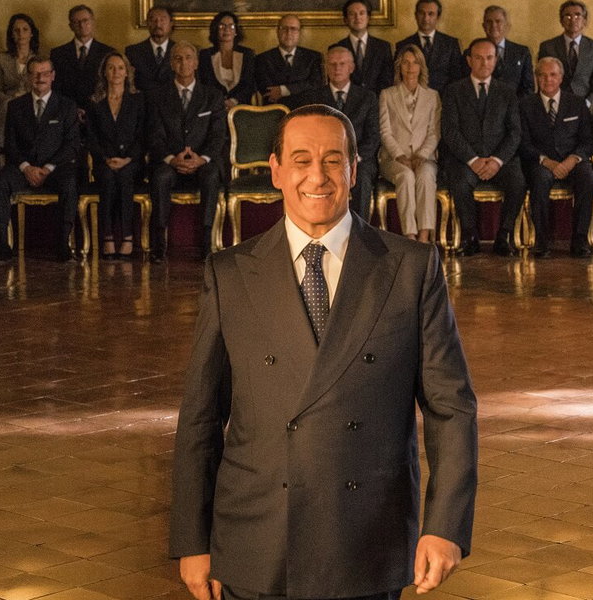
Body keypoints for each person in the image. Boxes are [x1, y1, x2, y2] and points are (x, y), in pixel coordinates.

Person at [170, 103, 477, 600]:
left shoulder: (410, 268)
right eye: (302, 160)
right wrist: (193, 538)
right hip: (256, 539)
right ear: (275, 171)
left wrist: (445, 526)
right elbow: (201, 418)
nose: (318, 175)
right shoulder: (229, 273)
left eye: (333, 160)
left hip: (366, 539)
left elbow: (452, 409)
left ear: (354, 170)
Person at [0, 57, 81, 262]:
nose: (41, 78)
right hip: (23, 168)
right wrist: (26, 168)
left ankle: (63, 244)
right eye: (35, 73)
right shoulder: (15, 106)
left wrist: (47, 168)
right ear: (28, 77)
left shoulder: (66, 106)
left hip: (55, 168)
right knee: (0, 181)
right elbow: (10, 144)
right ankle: (2, 245)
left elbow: (72, 145)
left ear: (53, 76)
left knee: (70, 183)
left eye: (45, 73)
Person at [441, 38, 526, 256]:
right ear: (469, 60)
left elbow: (515, 132)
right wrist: (473, 160)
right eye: (478, 58)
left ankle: (504, 236)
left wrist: (497, 160)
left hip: (500, 160)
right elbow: (450, 131)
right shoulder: (453, 91)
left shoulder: (507, 92)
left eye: (489, 58)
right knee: (460, 182)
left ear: (496, 60)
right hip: (466, 160)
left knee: (517, 181)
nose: (484, 63)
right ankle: (470, 237)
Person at [149, 41, 227, 263]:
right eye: (178, 58)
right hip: (171, 161)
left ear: (196, 63)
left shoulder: (212, 95)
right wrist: (172, 159)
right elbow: (154, 135)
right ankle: (159, 244)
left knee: (211, 175)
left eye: (188, 58)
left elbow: (218, 135)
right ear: (171, 64)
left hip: (203, 161)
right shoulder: (158, 96)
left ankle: (206, 242)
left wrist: (202, 159)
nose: (183, 63)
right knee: (160, 177)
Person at [518, 57, 593, 258]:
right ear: (536, 78)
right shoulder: (525, 105)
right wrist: (547, 161)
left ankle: (580, 239)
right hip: (541, 161)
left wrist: (572, 160)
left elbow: (588, 141)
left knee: (587, 177)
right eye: (542, 75)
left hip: (573, 160)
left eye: (553, 75)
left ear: (561, 77)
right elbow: (523, 143)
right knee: (540, 179)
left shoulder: (577, 103)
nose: (548, 80)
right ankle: (541, 241)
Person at [296, 46, 380, 220]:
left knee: (361, 177)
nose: (337, 68)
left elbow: (373, 136)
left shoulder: (368, 97)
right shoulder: (313, 97)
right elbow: (309, 134)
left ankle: (359, 230)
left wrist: (354, 157)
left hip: (359, 159)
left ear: (351, 67)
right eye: (332, 64)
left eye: (342, 64)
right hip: (323, 159)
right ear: (326, 68)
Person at [378, 44, 441, 242]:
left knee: (425, 176)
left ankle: (424, 236)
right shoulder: (387, 95)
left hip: (425, 158)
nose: (410, 67)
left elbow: (434, 132)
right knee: (406, 176)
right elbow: (385, 131)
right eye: (405, 62)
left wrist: (421, 155)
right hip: (393, 159)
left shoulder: (432, 96)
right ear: (399, 66)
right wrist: (400, 156)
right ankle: (410, 236)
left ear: (421, 67)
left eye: (415, 63)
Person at [86, 51, 146, 260]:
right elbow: (91, 137)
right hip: (104, 161)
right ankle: (108, 236)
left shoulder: (138, 100)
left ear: (127, 72)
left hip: (132, 162)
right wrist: (105, 158)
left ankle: (128, 236)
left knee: (125, 177)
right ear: (104, 72)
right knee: (108, 179)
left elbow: (142, 135)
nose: (116, 72)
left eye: (120, 68)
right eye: (111, 68)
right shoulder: (94, 102)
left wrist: (128, 159)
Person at [0, 13, 40, 161]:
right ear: (11, 34)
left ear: (32, 33)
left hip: (32, 101)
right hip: (7, 103)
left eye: (25, 29)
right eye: (16, 30)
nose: (21, 34)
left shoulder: (40, 59)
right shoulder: (0, 59)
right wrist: (11, 99)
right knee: (8, 105)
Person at [537, 0, 593, 103]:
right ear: (561, 21)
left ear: (584, 21)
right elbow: (542, 80)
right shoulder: (548, 47)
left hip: (585, 105)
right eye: (568, 16)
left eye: (577, 15)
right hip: (555, 103)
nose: (573, 20)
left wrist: (587, 103)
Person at [50, 4, 113, 115]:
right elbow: (55, 87)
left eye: (85, 20)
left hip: (98, 112)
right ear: (70, 26)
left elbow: (109, 86)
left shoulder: (108, 52)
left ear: (93, 22)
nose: (82, 25)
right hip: (67, 113)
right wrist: (72, 110)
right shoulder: (58, 54)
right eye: (76, 22)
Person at [395, 0, 462, 92]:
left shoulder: (451, 44)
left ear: (438, 17)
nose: (426, 18)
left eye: (431, 14)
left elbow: (457, 78)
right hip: (412, 97)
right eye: (422, 13)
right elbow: (398, 77)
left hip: (444, 97)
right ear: (416, 15)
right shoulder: (403, 45)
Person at [254, 14, 323, 106]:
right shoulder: (262, 59)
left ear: (299, 33)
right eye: (284, 28)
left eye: (293, 29)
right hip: (275, 111)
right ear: (277, 31)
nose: (288, 33)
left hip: (305, 111)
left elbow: (316, 85)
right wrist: (300, 89)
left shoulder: (313, 57)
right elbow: (268, 92)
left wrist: (283, 90)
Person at [332, 0, 393, 92]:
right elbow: (336, 82)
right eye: (352, 14)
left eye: (362, 13)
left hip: (376, 99)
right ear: (345, 19)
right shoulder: (337, 48)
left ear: (368, 18)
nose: (357, 17)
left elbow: (387, 81)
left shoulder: (383, 47)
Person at [197, 11, 256, 108]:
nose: (227, 29)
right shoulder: (205, 55)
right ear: (215, 30)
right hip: (214, 107)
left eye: (231, 26)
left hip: (241, 108)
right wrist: (221, 102)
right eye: (222, 26)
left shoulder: (247, 54)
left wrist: (234, 101)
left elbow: (250, 85)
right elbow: (204, 85)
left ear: (236, 31)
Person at [479, 5, 534, 98]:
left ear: (506, 26)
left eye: (498, 21)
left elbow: (528, 87)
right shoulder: (472, 52)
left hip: (515, 105)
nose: (493, 25)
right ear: (484, 26)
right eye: (489, 22)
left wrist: (513, 105)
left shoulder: (522, 52)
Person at [125, 5, 175, 95]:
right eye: (153, 20)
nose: (158, 24)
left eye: (162, 20)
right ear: (147, 23)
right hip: (142, 102)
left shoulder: (181, 51)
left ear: (171, 23)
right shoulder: (133, 52)